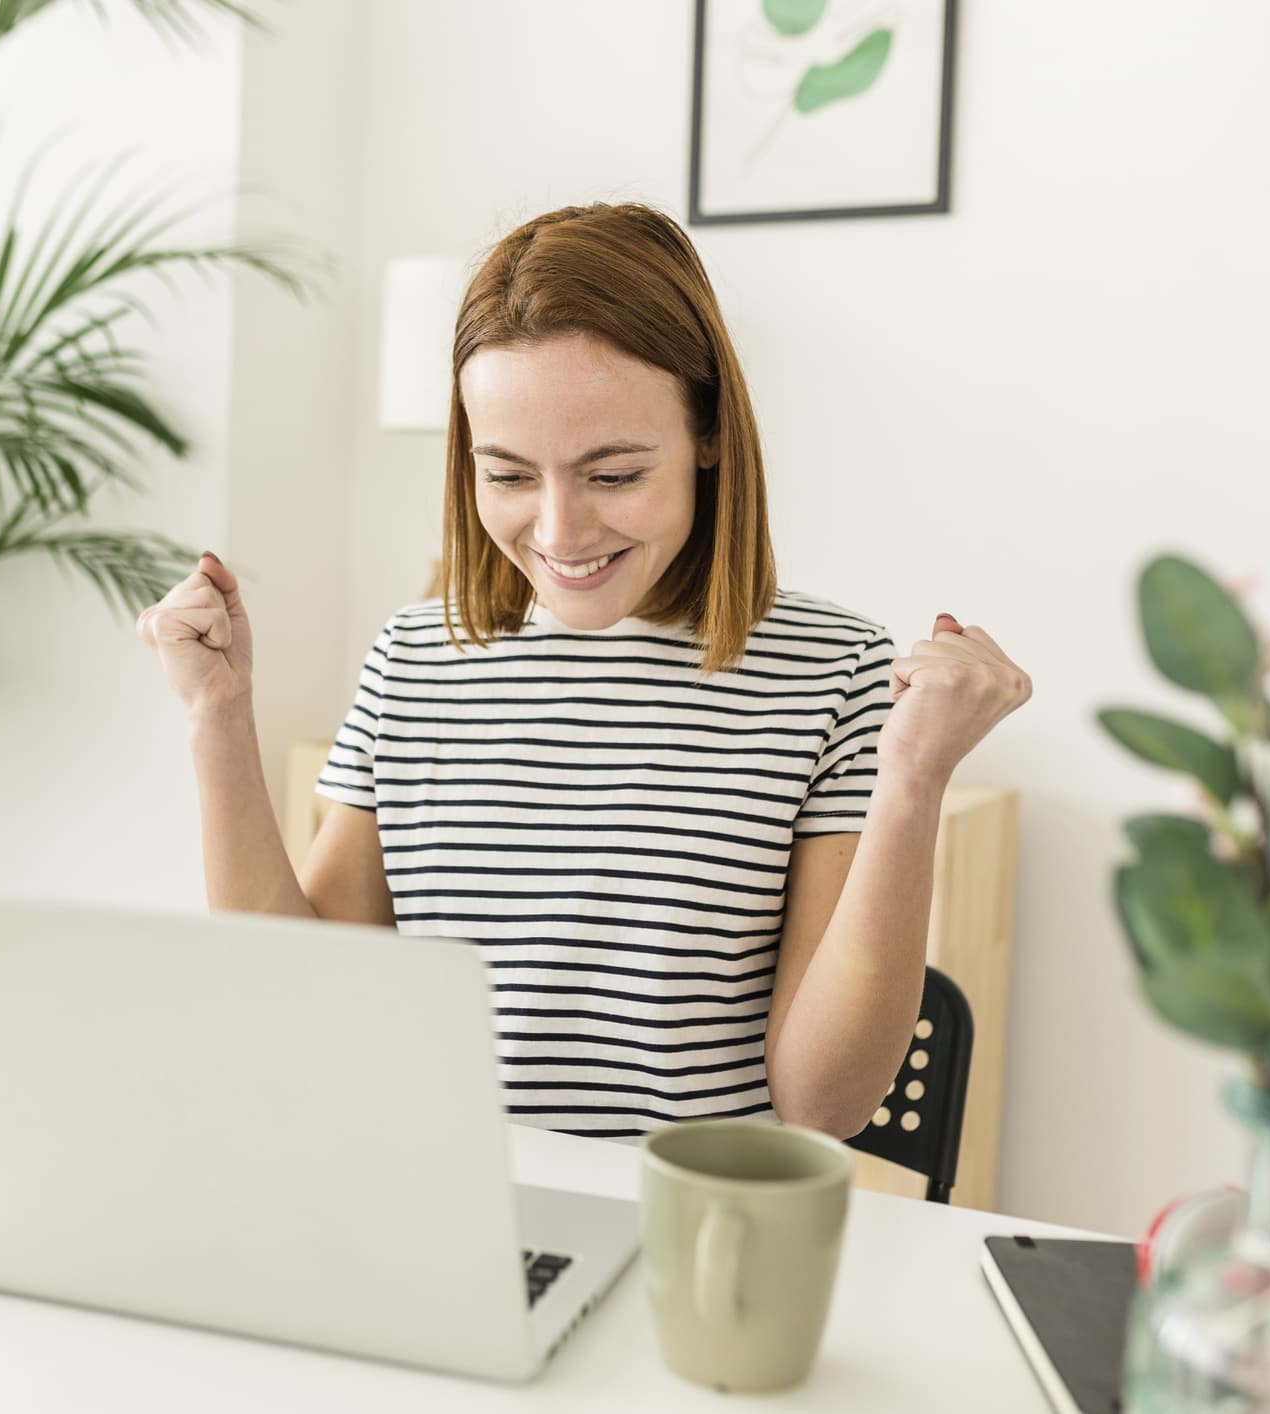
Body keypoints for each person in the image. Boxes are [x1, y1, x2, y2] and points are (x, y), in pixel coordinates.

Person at [137, 202, 1030, 1140]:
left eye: (612, 474)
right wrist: (218, 716)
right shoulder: (411, 662)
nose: (558, 533)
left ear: (708, 436)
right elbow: (307, 1009)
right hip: (448, 1221)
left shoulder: (834, 673)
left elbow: (825, 1105)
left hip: (694, 1245)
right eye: (511, 475)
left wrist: (914, 779)